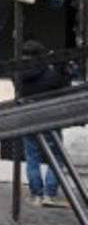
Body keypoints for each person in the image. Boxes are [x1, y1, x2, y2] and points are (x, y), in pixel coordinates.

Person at [18, 39, 71, 207]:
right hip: (50, 119)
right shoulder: (51, 75)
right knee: (56, 158)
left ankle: (37, 196)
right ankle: (50, 194)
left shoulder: (19, 75)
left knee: (32, 158)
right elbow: (64, 87)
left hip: (27, 119)